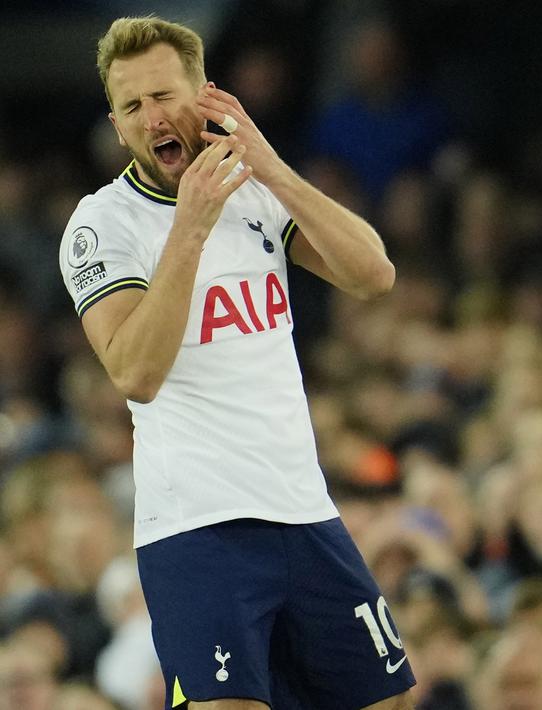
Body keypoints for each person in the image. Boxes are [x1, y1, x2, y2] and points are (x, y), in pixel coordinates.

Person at [57, 17, 414, 710]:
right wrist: (189, 226)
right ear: (116, 123)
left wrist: (272, 167)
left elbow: (373, 274)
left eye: (164, 95)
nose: (152, 117)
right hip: (199, 524)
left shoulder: (254, 190)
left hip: (301, 505)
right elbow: (135, 371)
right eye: (132, 107)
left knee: (387, 698)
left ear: (206, 96)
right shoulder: (103, 223)